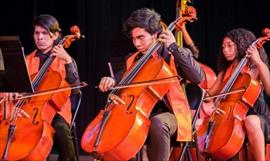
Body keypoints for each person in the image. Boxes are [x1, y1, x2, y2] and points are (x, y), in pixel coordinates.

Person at [98, 8, 205, 161]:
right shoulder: (133, 59)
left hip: (171, 114)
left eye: (141, 37)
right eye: (133, 39)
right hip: (138, 113)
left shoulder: (171, 54)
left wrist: (174, 47)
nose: (136, 43)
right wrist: (112, 80)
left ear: (155, 34)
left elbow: (198, 77)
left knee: (157, 123)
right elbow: (120, 80)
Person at [207, 28, 270, 161]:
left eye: (230, 45)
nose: (225, 50)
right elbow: (209, 95)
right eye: (223, 47)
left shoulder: (255, 68)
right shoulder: (224, 72)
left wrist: (258, 61)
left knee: (250, 120)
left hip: (257, 117)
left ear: (242, 44)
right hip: (231, 118)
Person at [29, 14, 80, 161]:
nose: (40, 37)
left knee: (61, 129)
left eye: (45, 33)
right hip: (30, 110)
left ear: (56, 35)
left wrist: (68, 61)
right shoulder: (28, 59)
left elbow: (76, 89)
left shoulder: (65, 59)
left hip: (57, 109)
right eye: (36, 33)